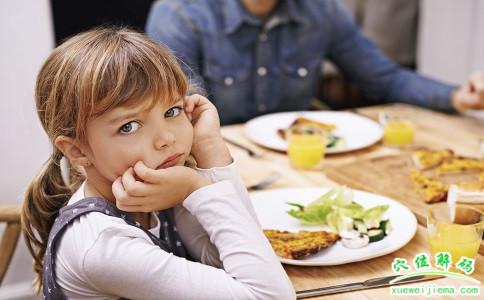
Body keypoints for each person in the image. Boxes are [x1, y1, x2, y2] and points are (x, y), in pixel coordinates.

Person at [21, 27, 295, 299]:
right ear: (78, 151)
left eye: (172, 111)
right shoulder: (103, 246)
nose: (165, 138)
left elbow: (239, 259)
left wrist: (211, 149)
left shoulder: (160, 188)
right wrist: (196, 188)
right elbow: (270, 295)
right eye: (129, 126)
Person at [146, 0, 484, 124]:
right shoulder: (179, 14)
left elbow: (384, 78)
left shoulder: (321, 9)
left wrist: (457, 96)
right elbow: (179, 116)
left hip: (305, 155)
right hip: (217, 167)